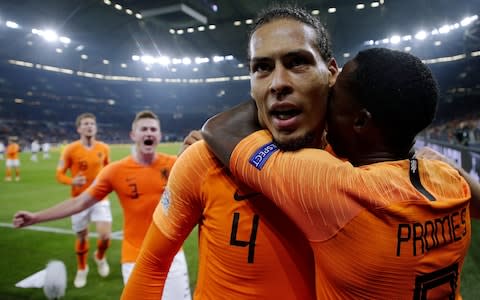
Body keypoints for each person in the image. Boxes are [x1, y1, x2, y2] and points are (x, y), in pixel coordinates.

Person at [202, 48, 476, 299]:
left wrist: (299, 89)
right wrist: (451, 169)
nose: (324, 102)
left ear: (359, 121)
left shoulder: (335, 187)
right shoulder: (449, 180)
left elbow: (220, 129)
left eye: (331, 97)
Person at [122, 6, 335, 299]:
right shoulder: (204, 161)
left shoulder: (364, 167)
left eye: (297, 62)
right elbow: (151, 266)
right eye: (262, 67)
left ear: (331, 73)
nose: (278, 83)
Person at [13, 110, 192, 300]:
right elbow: (80, 202)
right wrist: (36, 217)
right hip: (134, 258)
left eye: (153, 129)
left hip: (172, 257)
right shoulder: (115, 171)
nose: (148, 133)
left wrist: (200, 148)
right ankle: (85, 266)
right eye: (144, 129)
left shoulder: (175, 164)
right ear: (133, 135)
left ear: (159, 135)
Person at [55, 112, 112, 288]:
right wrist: (72, 180)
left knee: (104, 236)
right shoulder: (70, 149)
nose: (89, 126)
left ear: (95, 127)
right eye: (86, 124)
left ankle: (100, 257)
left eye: (92, 124)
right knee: (81, 237)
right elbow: (59, 174)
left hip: (100, 198)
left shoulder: (104, 148)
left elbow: (109, 168)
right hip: (78, 200)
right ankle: (82, 268)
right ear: (79, 128)